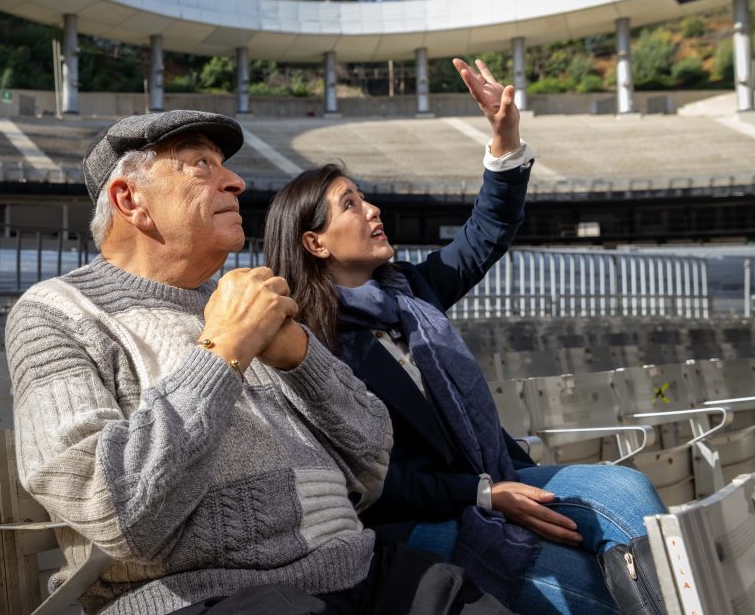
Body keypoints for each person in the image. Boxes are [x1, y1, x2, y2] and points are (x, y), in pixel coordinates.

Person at [6, 109, 514, 615]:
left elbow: (373, 456)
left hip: (355, 568)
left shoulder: (252, 299)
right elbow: (115, 510)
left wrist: (299, 359)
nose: (236, 181)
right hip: (208, 595)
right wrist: (222, 351)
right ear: (129, 200)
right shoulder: (56, 314)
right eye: (201, 165)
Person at [263, 59, 668, 615]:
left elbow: (486, 234)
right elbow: (370, 481)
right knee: (590, 588)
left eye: (364, 197)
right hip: (418, 518)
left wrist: (504, 141)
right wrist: (480, 495)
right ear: (315, 244)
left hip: (499, 476)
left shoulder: (410, 292)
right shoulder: (311, 348)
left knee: (627, 494)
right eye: (351, 205)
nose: (373, 209)